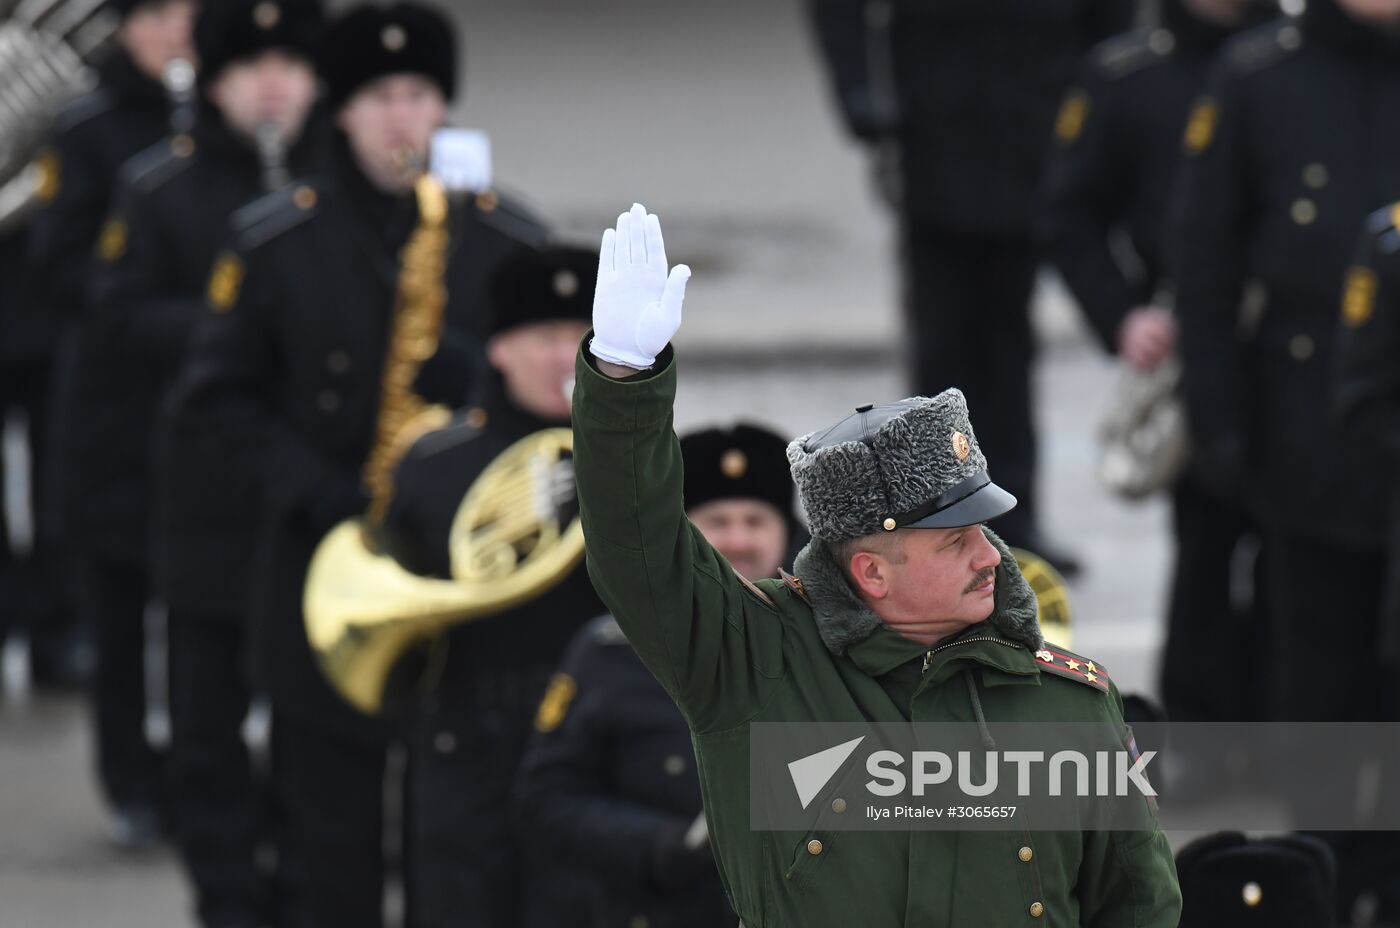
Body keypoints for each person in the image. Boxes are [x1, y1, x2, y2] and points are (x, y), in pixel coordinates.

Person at [571, 203, 1181, 926]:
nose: (990, 556)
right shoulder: (755, 664)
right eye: (954, 541)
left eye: (983, 531)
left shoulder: (1071, 704)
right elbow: (638, 551)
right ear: (871, 574)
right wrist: (623, 381)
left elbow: (1139, 904)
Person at [170, 4, 544, 924]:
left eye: (417, 94)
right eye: (379, 97)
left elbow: (554, 416)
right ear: (340, 110)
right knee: (324, 845)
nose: (400, 117)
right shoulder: (276, 240)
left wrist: (475, 394)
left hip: (463, 585)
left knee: (458, 846)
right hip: (320, 571)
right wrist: (314, 488)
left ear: (443, 107)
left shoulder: (507, 243)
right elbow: (212, 404)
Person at [87, 0, 324, 920]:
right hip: (202, 492)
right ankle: (226, 898)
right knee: (205, 723)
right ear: (215, 82)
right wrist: (242, 330)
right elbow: (116, 315)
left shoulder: (336, 190)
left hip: (307, 497)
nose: (273, 87)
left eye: (291, 66)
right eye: (252, 68)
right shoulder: (163, 188)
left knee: (313, 724)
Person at [1168, 0, 1400, 918]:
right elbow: (1204, 261)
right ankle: (1327, 874)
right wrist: (1220, 426)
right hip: (1310, 441)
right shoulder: (1261, 79)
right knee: (1318, 686)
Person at [806, 0, 1134, 574]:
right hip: (936, 113)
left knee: (1010, 338)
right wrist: (863, 93)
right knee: (944, 339)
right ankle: (936, 515)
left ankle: (1012, 517)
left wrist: (1099, 91)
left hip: (1034, 106)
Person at [1038, 0, 1272, 728]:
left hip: (1307, 353)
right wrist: (1122, 316)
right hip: (1198, 356)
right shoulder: (1129, 77)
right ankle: (1201, 739)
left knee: (1311, 572)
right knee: (1205, 557)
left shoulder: (1300, 63)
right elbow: (1069, 212)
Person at [364, 246, 606, 927]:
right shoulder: (435, 463)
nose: (565, 358)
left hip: (589, 731)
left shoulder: (637, 459)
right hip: (467, 734)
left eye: (580, 336)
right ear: (499, 349)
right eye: (546, 336)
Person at [25, 0, 198, 848]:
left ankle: (203, 774)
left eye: (190, 12)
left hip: (205, 412)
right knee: (121, 611)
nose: (176, 30)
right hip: (119, 407)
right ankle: (132, 782)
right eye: (156, 13)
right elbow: (59, 266)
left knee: (205, 615)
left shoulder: (237, 123)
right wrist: (151, 298)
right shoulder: (89, 129)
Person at [515, 422, 796, 928]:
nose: (738, 538)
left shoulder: (826, 645)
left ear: (785, 533)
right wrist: (657, 846)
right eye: (718, 521)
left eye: (755, 521)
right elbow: (547, 801)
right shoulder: (609, 654)